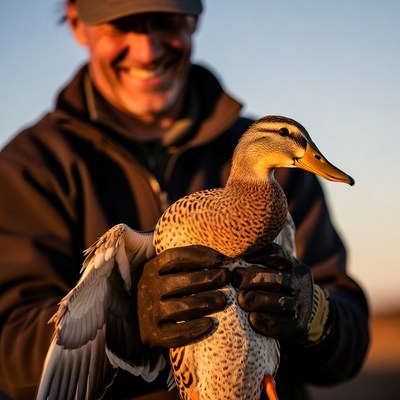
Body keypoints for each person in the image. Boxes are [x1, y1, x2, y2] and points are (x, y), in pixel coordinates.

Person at [0, 1, 369, 399]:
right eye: (120, 25)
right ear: (76, 23)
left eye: (165, 21)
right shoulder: (29, 168)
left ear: (194, 18)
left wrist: (312, 311)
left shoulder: (271, 161)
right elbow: (8, 348)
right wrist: (125, 319)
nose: (148, 50)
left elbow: (349, 346)